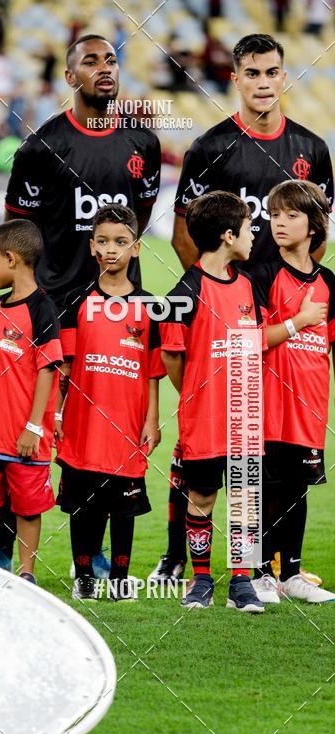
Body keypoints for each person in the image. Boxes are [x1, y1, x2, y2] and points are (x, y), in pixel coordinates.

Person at [151, 32, 334, 586]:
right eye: (251, 73)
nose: (262, 82)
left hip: (282, 324)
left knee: (270, 448)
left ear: (284, 76)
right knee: (197, 446)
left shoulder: (312, 150)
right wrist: (215, 292)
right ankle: (176, 557)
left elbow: (317, 236)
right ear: (235, 78)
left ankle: (269, 564)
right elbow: (184, 235)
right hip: (225, 317)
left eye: (271, 71)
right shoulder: (209, 149)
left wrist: (288, 298)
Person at [0, 33, 162, 575]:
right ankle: (4, 544)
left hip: (115, 309)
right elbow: (19, 233)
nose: (104, 68)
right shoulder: (40, 148)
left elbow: (138, 219)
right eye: (91, 61)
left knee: (106, 423)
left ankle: (96, 552)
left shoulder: (143, 143)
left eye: (111, 60)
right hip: (53, 307)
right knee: (30, 423)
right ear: (70, 77)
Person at [161, 191, 266, 612]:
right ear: (228, 235)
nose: (254, 235)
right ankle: (201, 579)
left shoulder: (248, 285)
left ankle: (242, 582)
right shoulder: (185, 290)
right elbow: (171, 355)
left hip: (244, 417)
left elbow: (255, 343)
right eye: (248, 227)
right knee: (201, 497)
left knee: (244, 499)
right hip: (203, 420)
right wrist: (196, 393)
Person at [56, 204, 162, 600]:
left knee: (123, 506)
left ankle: (119, 579)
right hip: (83, 424)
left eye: (120, 241)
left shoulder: (150, 306)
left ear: (136, 248)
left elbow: (152, 372)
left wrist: (151, 419)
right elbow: (64, 369)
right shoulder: (76, 301)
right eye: (102, 241)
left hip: (127, 423)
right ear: (92, 247)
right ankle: (84, 578)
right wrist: (56, 414)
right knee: (83, 505)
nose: (111, 249)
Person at [0, 220, 62, 584]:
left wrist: (34, 427)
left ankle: (26, 573)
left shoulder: (43, 309)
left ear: (11, 258)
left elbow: (48, 370)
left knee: (28, 506)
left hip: (24, 435)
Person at [253, 180, 335, 603]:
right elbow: (251, 339)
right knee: (265, 489)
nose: (279, 222)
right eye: (274, 215)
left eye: (291, 215)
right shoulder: (262, 275)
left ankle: (291, 574)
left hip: (310, 405)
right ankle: (260, 574)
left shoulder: (330, 283)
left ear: (314, 225)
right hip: (268, 404)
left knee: (296, 490)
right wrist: (299, 321)